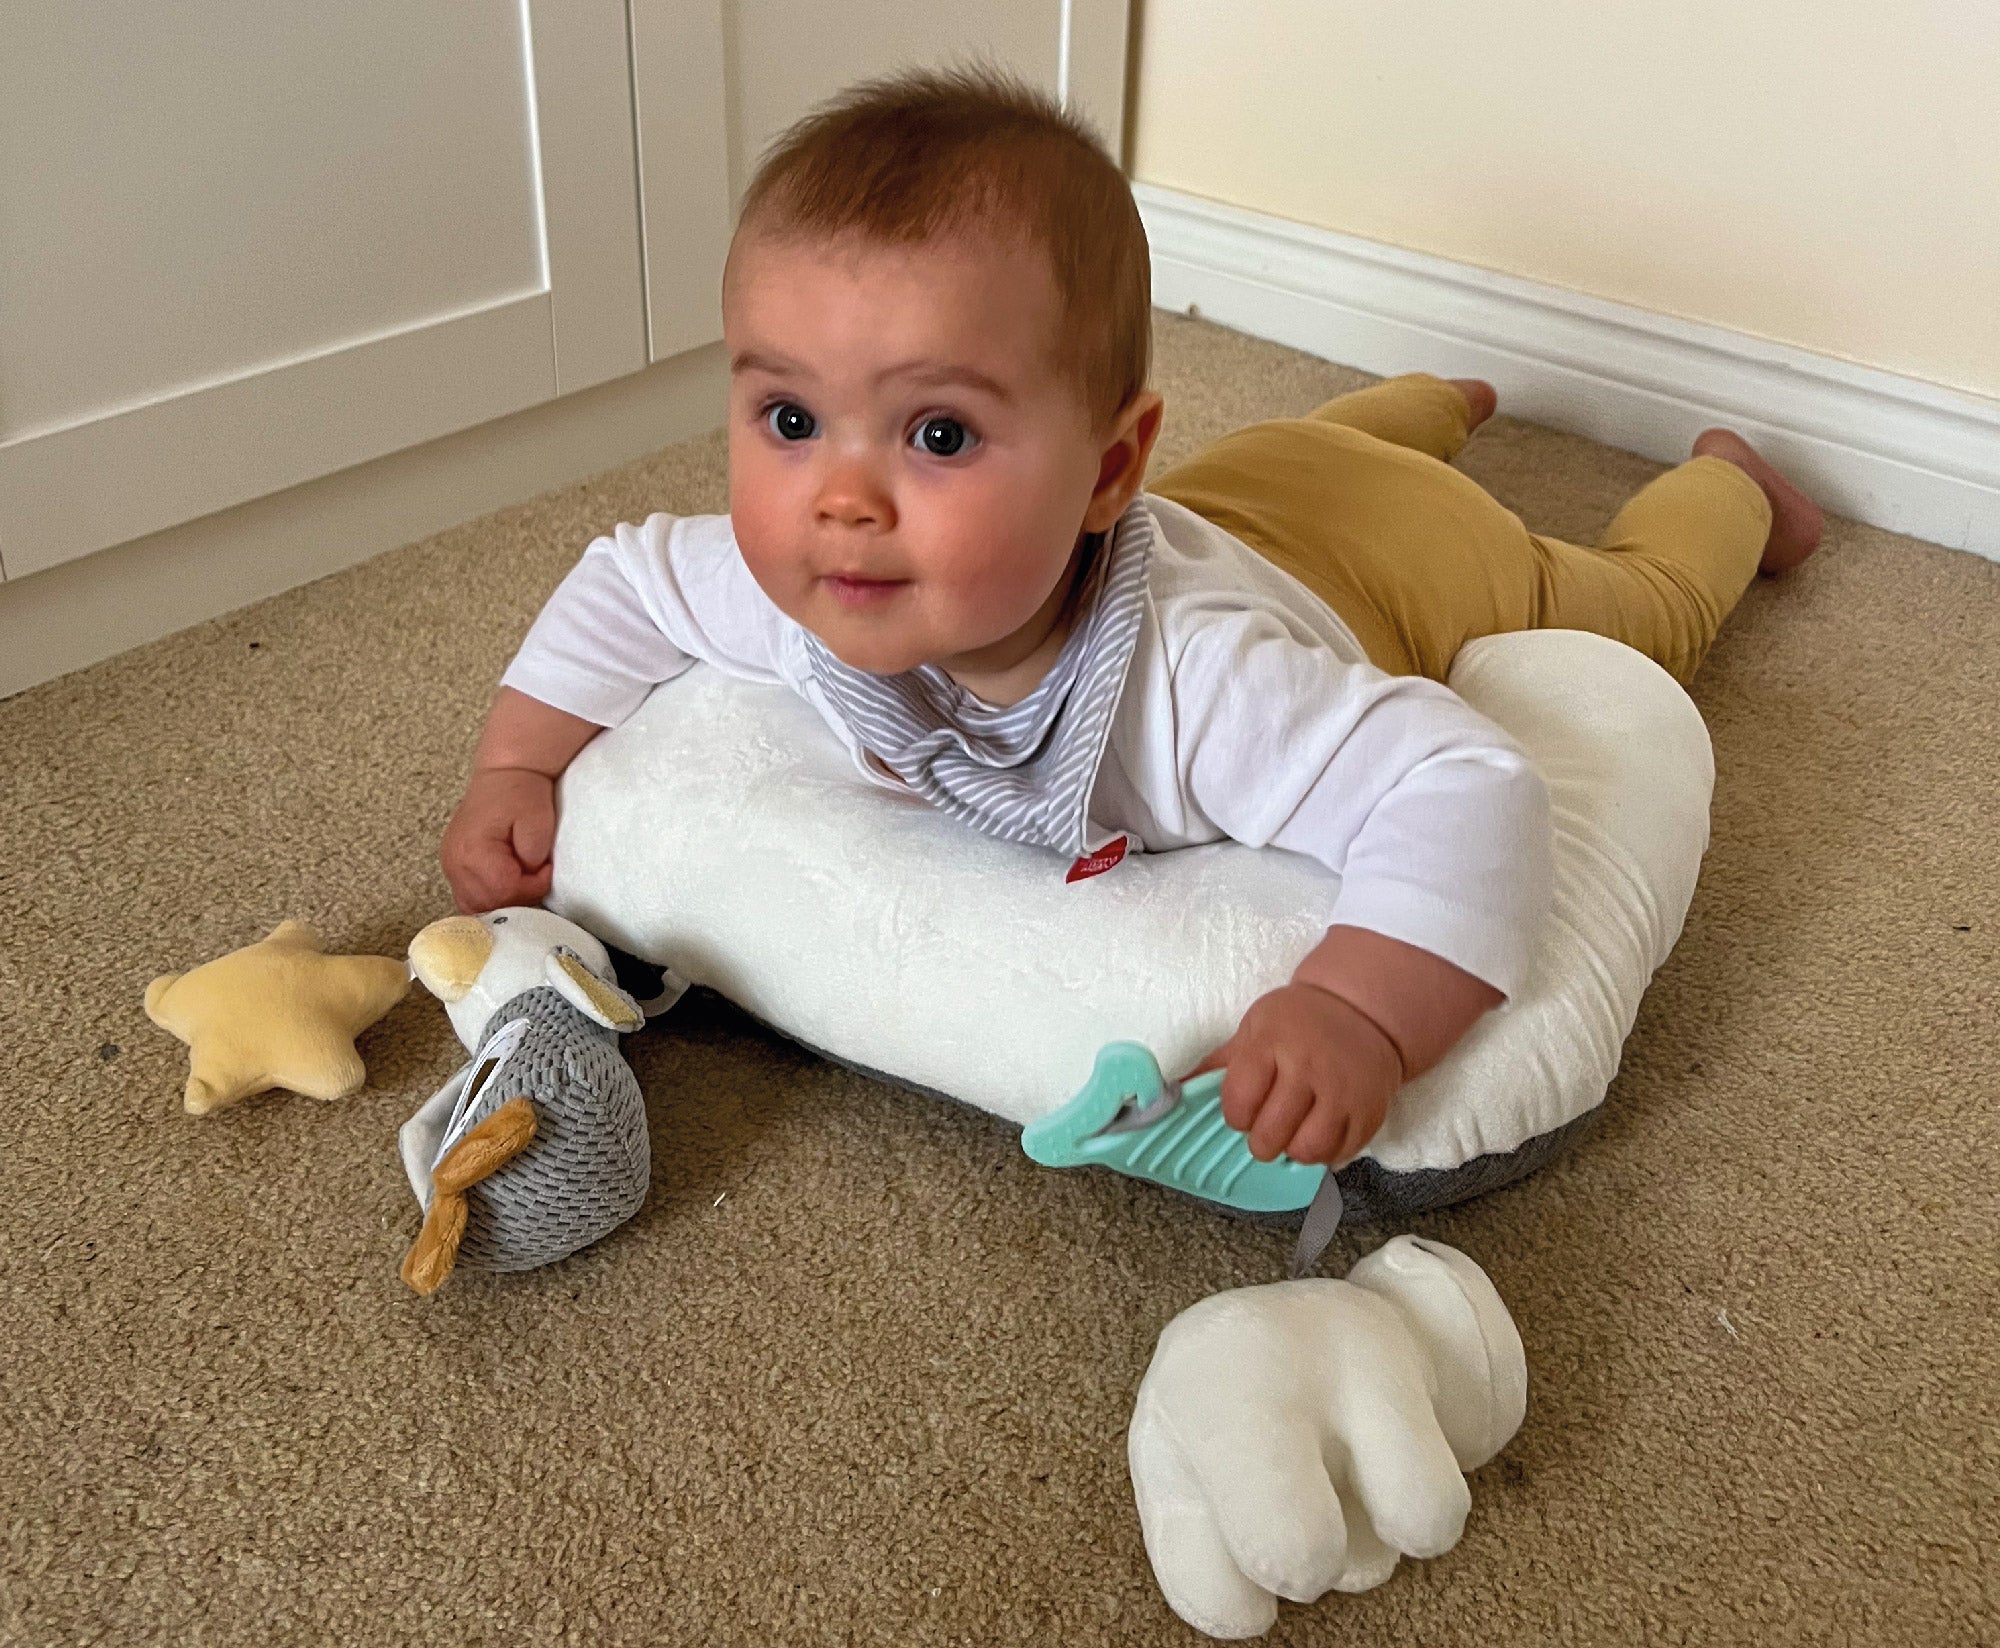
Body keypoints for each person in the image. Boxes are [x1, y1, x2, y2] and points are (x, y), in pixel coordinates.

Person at [440, 66, 1821, 1173]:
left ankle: (1725, 487)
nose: (839, 500)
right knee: (1299, 448)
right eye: (789, 418)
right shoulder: (799, 583)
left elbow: (1463, 787)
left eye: (935, 432)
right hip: (1255, 485)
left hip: (1403, 562)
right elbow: (625, 577)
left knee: (1635, 608)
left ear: (1108, 470)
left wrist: (1356, 1009)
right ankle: (1436, 400)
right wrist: (517, 761)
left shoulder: (1201, 687)